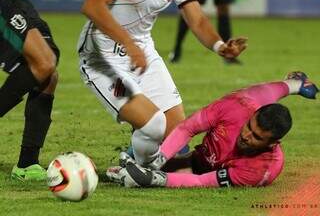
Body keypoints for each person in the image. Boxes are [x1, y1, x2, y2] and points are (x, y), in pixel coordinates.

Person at [78, 0, 247, 167]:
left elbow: (197, 20)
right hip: (103, 58)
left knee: (177, 136)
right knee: (154, 125)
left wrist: (220, 46)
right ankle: (141, 173)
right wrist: (128, 43)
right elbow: (92, 5)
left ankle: (135, 160)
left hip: (142, 51)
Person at [106, 71, 319, 188]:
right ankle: (296, 83)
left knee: (169, 172)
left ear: (272, 144)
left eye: (256, 137)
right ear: (252, 116)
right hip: (250, 103)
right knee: (277, 89)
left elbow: (202, 180)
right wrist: (159, 159)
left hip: (205, 168)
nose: (246, 136)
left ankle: (144, 165)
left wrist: (157, 179)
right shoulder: (236, 105)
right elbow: (187, 128)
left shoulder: (262, 169)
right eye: (249, 127)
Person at [0, 0, 72, 180]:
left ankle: (26, 164)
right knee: (43, 62)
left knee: (48, 74)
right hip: (2, 2)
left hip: (16, 0)